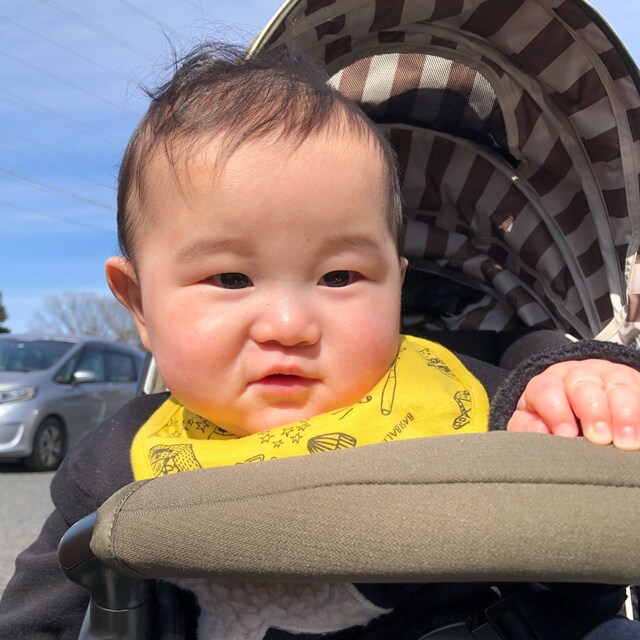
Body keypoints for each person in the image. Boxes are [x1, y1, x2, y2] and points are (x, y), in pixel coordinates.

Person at [0, 43, 639, 640]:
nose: (289, 325)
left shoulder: (467, 389)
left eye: (339, 277)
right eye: (231, 279)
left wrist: (580, 382)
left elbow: (538, 374)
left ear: (396, 286)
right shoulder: (116, 462)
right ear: (140, 303)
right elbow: (32, 620)